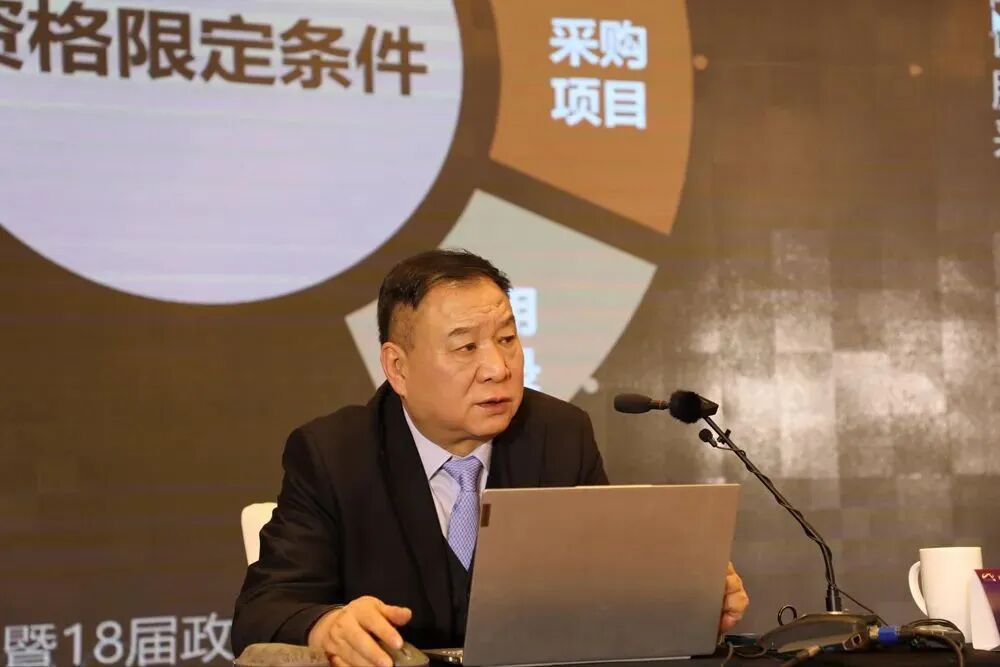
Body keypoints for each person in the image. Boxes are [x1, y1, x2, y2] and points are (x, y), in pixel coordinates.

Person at [232, 249, 749, 667]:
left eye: (507, 339)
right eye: (466, 348)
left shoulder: (558, 434)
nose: (498, 368)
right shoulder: (334, 454)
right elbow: (262, 611)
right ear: (398, 368)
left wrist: (684, 598)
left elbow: (601, 592)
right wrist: (326, 626)